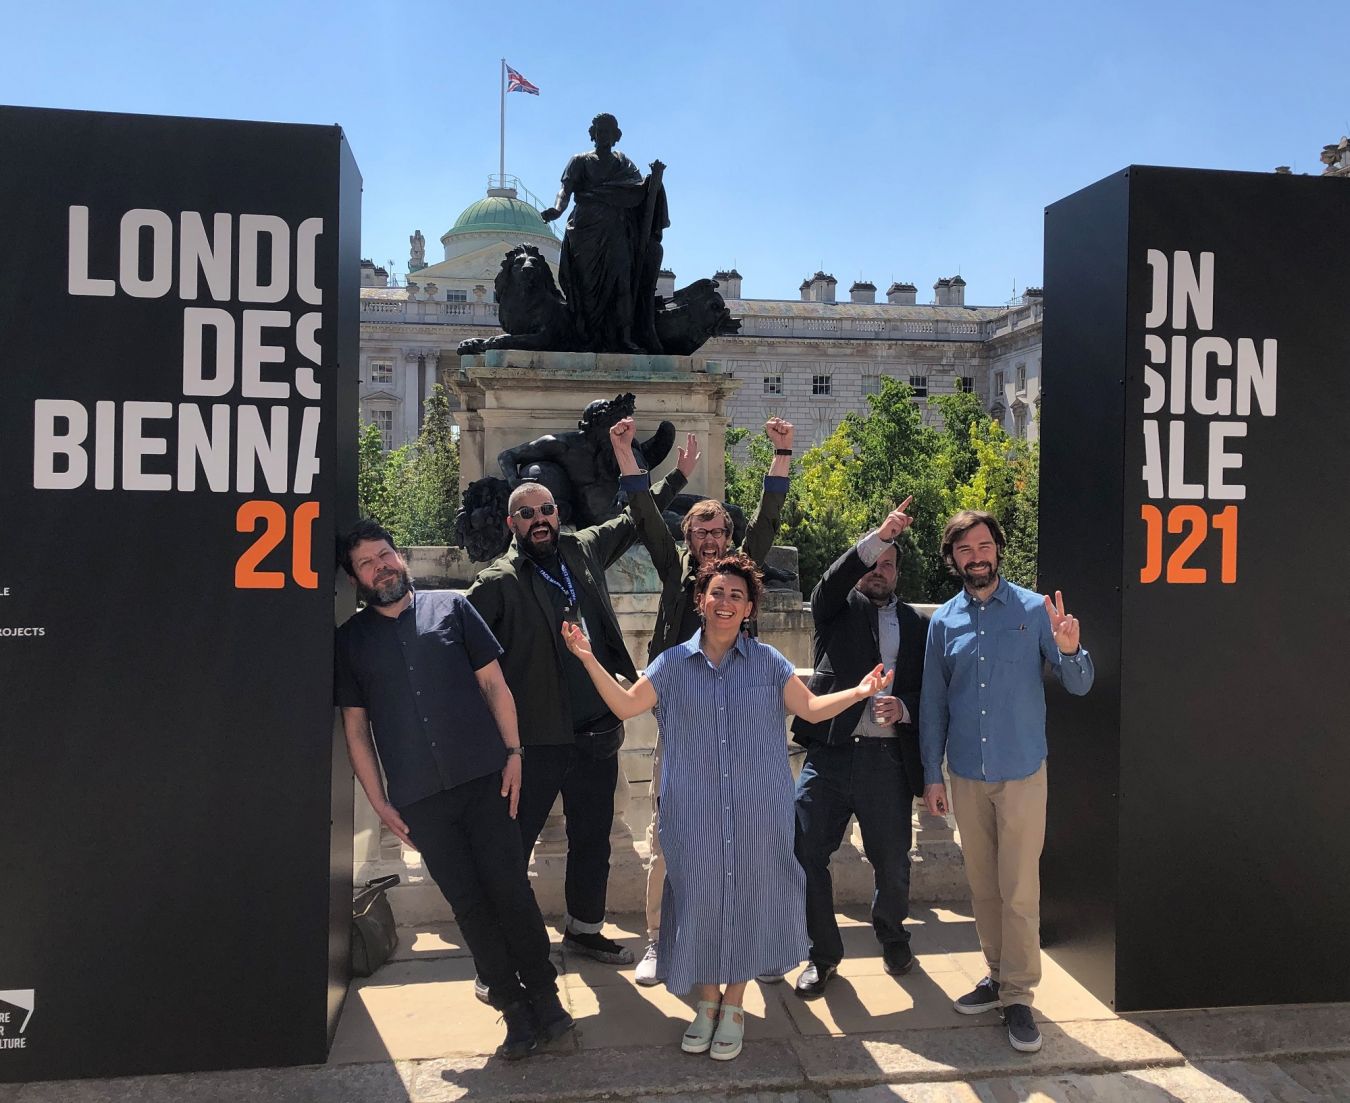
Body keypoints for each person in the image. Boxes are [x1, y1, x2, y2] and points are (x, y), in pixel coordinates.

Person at [561, 553, 892, 1060]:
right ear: (701, 600)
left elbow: (810, 707)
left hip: (759, 809)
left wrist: (860, 691)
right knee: (698, 901)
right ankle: (707, 1001)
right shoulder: (671, 665)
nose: (725, 602)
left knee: (745, 901)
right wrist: (587, 658)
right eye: (717, 592)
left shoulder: (768, 663)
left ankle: (733, 1004)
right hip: (691, 812)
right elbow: (626, 706)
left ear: (749, 608)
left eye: (737, 595)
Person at [334, 520, 571, 1061]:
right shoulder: (349, 642)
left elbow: (495, 684)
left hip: (485, 780)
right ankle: (513, 1011)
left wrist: (514, 755)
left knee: (511, 890)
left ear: (399, 556)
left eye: (386, 554)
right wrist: (379, 802)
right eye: (368, 563)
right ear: (356, 579)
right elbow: (355, 729)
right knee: (469, 906)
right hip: (420, 800)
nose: (382, 566)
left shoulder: (453, 608)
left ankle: (548, 999)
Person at [465, 459, 693, 970]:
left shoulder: (580, 549)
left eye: (546, 509)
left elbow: (634, 518)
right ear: (512, 524)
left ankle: (584, 930)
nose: (539, 519)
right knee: (512, 848)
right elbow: (467, 662)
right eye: (526, 513)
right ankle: (499, 957)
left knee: (593, 840)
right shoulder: (496, 583)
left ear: (557, 513)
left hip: (596, 733)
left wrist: (677, 476)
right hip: (535, 742)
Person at [608, 413, 794, 986]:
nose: (710, 541)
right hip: (686, 724)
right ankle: (662, 942)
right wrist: (625, 453)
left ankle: (754, 944)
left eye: (718, 532)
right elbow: (642, 513)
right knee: (673, 837)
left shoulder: (744, 571)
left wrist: (781, 453)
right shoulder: (675, 571)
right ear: (688, 539)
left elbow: (770, 514)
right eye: (700, 532)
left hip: (745, 722)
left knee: (751, 837)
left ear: (731, 539)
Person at [919, 510, 1094, 1054]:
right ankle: (996, 977)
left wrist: (1070, 650)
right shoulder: (943, 622)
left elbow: (1080, 684)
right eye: (965, 549)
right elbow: (932, 706)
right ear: (954, 560)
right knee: (983, 887)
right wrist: (932, 775)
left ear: (998, 550)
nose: (977, 556)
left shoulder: (1032, 610)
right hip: (967, 775)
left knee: (1019, 891)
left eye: (985, 545)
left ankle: (1019, 997)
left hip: (1021, 773)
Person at [791, 500, 927, 998]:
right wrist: (879, 535)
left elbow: (928, 692)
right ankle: (822, 955)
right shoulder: (834, 608)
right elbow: (832, 579)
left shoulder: (917, 626)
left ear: (897, 571)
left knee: (892, 862)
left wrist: (903, 708)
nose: (878, 569)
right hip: (829, 756)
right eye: (872, 560)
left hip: (885, 762)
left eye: (888, 562)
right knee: (805, 852)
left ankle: (892, 935)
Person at [541, 112, 667, 353]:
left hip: (616, 230)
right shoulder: (579, 160)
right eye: (599, 131)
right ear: (592, 134)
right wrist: (557, 210)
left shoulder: (624, 163)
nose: (603, 135)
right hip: (585, 231)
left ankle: (625, 337)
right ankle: (584, 336)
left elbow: (637, 190)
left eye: (607, 131)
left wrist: (654, 181)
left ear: (616, 136)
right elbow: (564, 191)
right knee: (586, 288)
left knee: (623, 283)